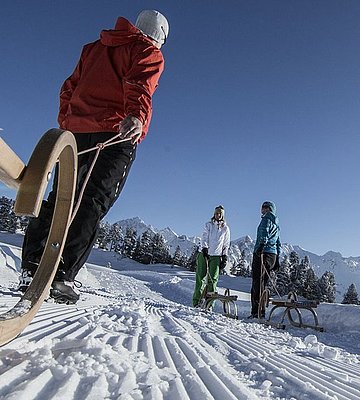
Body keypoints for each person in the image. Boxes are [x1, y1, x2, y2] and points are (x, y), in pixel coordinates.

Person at [19, 10, 169, 303]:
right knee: (93, 200)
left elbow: (70, 87)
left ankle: (32, 265)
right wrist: (136, 116)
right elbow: (139, 84)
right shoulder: (147, 50)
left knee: (62, 197)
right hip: (117, 133)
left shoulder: (95, 47)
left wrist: (68, 121)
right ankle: (61, 275)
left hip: (75, 132)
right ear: (159, 35)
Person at [192, 206, 231, 307]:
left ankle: (209, 304)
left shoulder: (225, 229)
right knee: (200, 277)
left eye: (220, 214)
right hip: (204, 254)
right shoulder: (208, 225)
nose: (218, 215)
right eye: (216, 213)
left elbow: (226, 244)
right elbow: (204, 236)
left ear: (222, 215)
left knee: (213, 280)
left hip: (216, 256)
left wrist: (224, 257)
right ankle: (197, 301)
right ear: (214, 214)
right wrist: (204, 248)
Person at [249, 201, 281, 318]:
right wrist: (277, 258)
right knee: (264, 282)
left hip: (262, 253)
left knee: (257, 282)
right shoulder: (276, 224)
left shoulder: (266, 219)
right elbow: (278, 242)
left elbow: (264, 232)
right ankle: (260, 310)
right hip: (272, 255)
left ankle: (257, 312)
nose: (263, 209)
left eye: (265, 207)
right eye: (263, 207)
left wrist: (261, 246)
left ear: (269, 209)